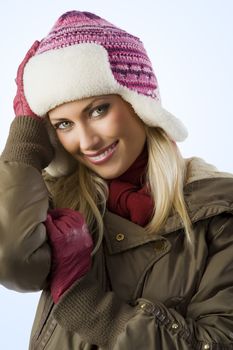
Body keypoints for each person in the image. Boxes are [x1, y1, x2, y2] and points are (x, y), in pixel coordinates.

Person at [0, 10, 233, 350]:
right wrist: (24, 134)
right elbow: (13, 263)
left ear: (139, 104)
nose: (87, 141)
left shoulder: (218, 212)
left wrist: (83, 300)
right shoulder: (53, 203)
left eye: (98, 110)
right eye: (63, 124)